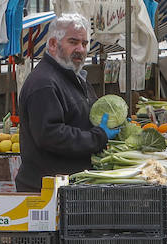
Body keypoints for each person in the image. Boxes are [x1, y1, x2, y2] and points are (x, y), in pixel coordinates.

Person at [14, 13, 117, 192]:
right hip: (47, 191)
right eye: (73, 42)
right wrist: (98, 136)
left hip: (68, 187)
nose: (81, 49)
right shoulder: (44, 83)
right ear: (53, 44)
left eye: (84, 44)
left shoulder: (73, 77)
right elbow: (51, 135)